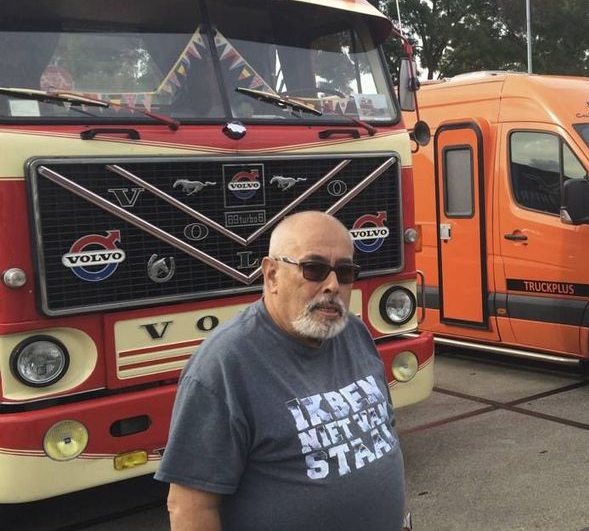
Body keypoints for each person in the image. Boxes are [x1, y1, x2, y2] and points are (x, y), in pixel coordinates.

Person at [155, 211, 406, 530]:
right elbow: (190, 507)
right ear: (272, 275)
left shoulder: (354, 333)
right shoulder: (225, 364)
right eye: (313, 269)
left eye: (344, 272)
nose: (332, 285)